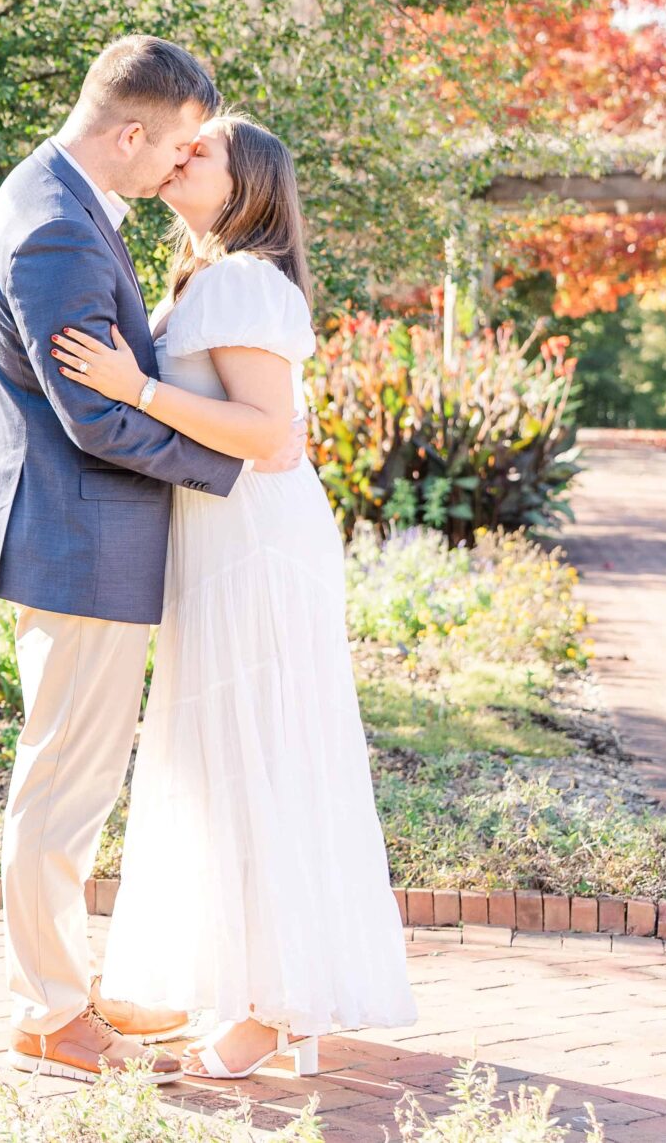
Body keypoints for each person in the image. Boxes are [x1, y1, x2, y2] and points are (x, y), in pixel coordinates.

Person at [50, 112, 415, 1078]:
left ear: (245, 183)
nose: (180, 155)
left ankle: (278, 1004)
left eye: (200, 150)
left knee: (263, 753)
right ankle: (246, 982)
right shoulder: (210, 279)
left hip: (257, 545)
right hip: (217, 541)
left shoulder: (247, 280)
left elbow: (267, 435)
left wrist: (135, 389)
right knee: (224, 759)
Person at [0, 36, 288, 1083]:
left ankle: (58, 986)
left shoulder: (49, 197)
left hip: (75, 536)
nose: (176, 168)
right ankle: (48, 1012)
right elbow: (95, 419)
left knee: (70, 776)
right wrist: (234, 458)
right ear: (131, 133)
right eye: (178, 146)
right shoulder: (55, 231)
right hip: (78, 540)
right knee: (64, 783)